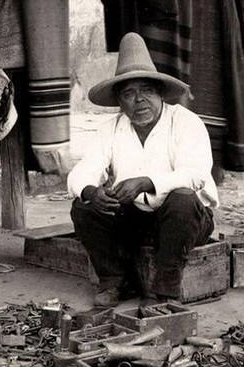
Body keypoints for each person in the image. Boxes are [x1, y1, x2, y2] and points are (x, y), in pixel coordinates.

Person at [67, 32, 218, 307]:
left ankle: (164, 290)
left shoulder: (185, 122)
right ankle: (113, 281)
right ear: (119, 102)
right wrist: (91, 191)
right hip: (135, 222)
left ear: (159, 93)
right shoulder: (109, 129)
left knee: (182, 198)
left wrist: (147, 182)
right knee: (84, 206)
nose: (139, 101)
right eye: (129, 94)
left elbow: (196, 174)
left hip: (185, 222)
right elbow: (83, 171)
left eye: (147, 91)